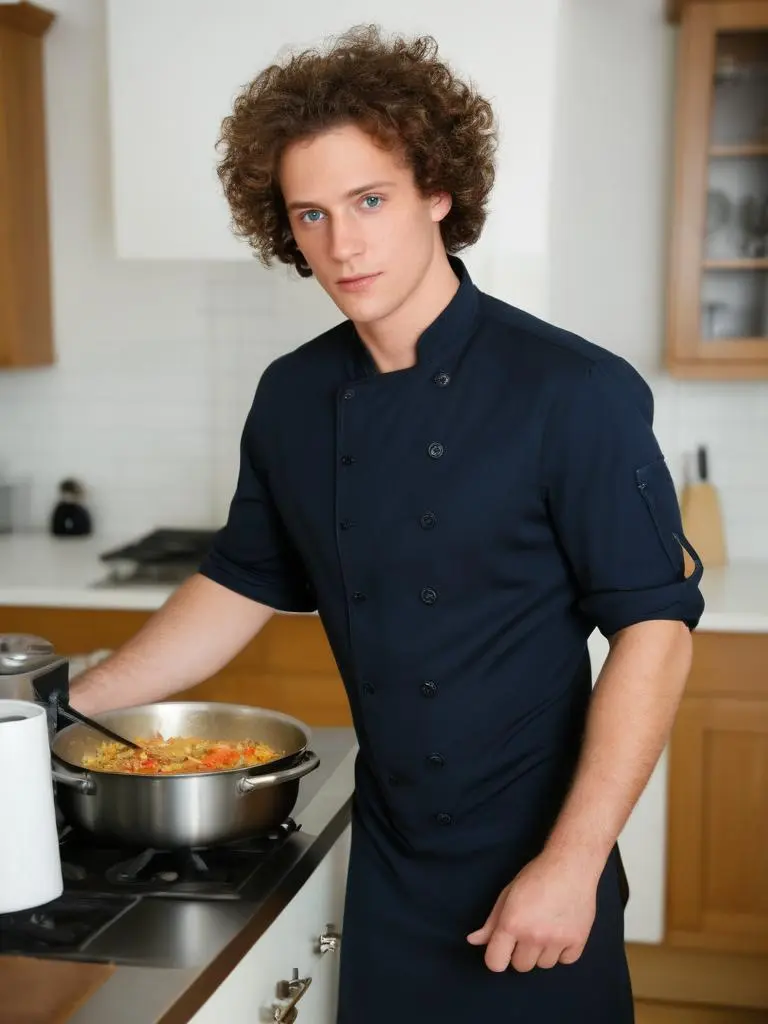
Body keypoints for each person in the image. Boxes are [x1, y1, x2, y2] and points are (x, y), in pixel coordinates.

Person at [70, 25, 705, 1022]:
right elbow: (238, 582)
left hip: (539, 860)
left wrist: (572, 863)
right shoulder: (293, 396)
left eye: (369, 200)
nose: (343, 245)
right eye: (311, 214)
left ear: (438, 191)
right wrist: (67, 705)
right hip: (393, 860)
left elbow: (655, 633)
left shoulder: (573, 391)